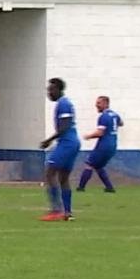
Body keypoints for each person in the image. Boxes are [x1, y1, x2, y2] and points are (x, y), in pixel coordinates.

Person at [40, 78, 81, 221]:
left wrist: (48, 140)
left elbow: (64, 127)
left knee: (50, 173)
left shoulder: (63, 104)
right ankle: (67, 213)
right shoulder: (64, 103)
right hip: (72, 143)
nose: (49, 93)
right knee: (63, 177)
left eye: (50, 90)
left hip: (67, 143)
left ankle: (56, 210)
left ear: (58, 89)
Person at [78, 96, 123, 193]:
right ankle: (109, 188)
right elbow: (121, 123)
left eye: (99, 103)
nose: (96, 105)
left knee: (89, 164)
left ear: (106, 104)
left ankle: (81, 188)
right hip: (113, 144)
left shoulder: (103, 117)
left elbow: (100, 133)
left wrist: (88, 136)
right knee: (98, 166)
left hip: (104, 145)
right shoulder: (115, 115)